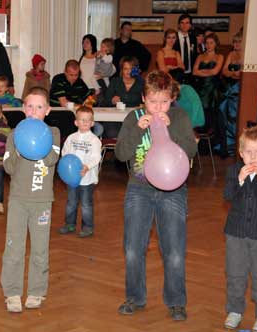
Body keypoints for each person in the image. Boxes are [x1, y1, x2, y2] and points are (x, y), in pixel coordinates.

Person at [115, 70, 197, 321]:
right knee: (132, 248)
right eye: (152, 101)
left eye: (164, 101)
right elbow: (120, 154)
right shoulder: (134, 117)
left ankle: (176, 302)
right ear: (143, 99)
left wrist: (172, 129)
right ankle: (135, 297)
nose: (158, 107)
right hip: (138, 188)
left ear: (172, 98)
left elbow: (192, 150)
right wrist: (138, 131)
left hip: (173, 191)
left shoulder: (179, 116)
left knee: (173, 250)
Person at [1, 87, 61, 312]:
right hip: (18, 200)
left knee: (39, 249)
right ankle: (12, 292)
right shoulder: (13, 134)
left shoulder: (53, 132)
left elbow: (51, 159)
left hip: (42, 201)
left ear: (47, 110)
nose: (34, 111)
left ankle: (37, 291)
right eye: (29, 106)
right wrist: (18, 145)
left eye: (39, 107)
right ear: (23, 109)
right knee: (14, 248)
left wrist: (38, 140)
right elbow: (8, 167)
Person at [222, 125, 257, 331]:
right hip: (235, 233)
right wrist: (239, 180)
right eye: (249, 152)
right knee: (235, 273)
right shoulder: (233, 171)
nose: (253, 157)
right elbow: (228, 196)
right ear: (241, 153)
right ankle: (235, 310)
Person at [58, 106, 102, 238]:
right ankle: (69, 224)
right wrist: (66, 166)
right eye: (82, 120)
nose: (85, 122)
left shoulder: (94, 140)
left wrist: (87, 166)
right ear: (76, 122)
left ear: (92, 123)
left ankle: (87, 227)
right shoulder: (71, 138)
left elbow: (96, 157)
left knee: (86, 204)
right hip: (72, 179)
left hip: (86, 179)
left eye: (88, 120)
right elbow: (64, 152)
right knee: (71, 202)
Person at [103, 56, 144, 138]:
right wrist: (112, 100)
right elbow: (106, 100)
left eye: (131, 68)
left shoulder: (142, 83)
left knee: (135, 133)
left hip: (134, 118)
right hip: (115, 118)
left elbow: (145, 102)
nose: (128, 71)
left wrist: (142, 106)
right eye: (126, 69)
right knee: (112, 133)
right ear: (122, 70)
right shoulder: (115, 81)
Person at [192, 33, 224, 133]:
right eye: (207, 43)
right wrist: (208, 72)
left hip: (212, 89)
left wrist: (201, 72)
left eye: (211, 43)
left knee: (211, 113)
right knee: (200, 112)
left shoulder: (220, 56)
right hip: (200, 88)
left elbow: (215, 72)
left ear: (216, 44)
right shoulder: (200, 56)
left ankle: (211, 141)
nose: (209, 45)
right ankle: (200, 140)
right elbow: (194, 72)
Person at [218, 31, 243, 157]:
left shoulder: (245, 55)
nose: (236, 44)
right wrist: (233, 74)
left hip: (241, 89)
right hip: (230, 88)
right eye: (235, 41)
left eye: (239, 41)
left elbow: (243, 74)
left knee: (236, 116)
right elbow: (224, 71)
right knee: (225, 113)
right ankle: (228, 145)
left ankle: (237, 145)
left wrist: (232, 73)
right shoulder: (231, 54)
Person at [173, 14, 198, 84]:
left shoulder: (193, 38)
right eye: (182, 23)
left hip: (190, 73)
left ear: (190, 25)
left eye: (187, 23)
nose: (184, 25)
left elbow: (195, 55)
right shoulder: (173, 38)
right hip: (176, 73)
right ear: (178, 25)